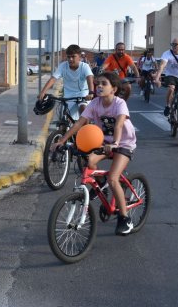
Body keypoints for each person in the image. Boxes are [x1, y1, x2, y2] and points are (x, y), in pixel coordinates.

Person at [51, 72, 137, 235]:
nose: (99, 86)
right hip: (104, 142)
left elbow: (118, 125)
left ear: (114, 89)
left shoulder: (119, 104)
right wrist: (62, 141)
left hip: (123, 143)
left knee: (113, 178)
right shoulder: (95, 103)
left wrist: (115, 143)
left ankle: (125, 218)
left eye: (104, 84)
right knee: (88, 161)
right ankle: (102, 186)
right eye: (98, 83)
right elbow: (79, 123)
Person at [38, 44, 95, 118]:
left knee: (83, 111)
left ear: (80, 57)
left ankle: (86, 128)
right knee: (64, 117)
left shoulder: (84, 66)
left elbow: (89, 78)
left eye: (73, 56)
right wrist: (43, 92)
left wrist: (91, 93)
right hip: (68, 95)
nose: (70, 59)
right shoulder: (63, 66)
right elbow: (53, 78)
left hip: (83, 94)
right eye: (69, 57)